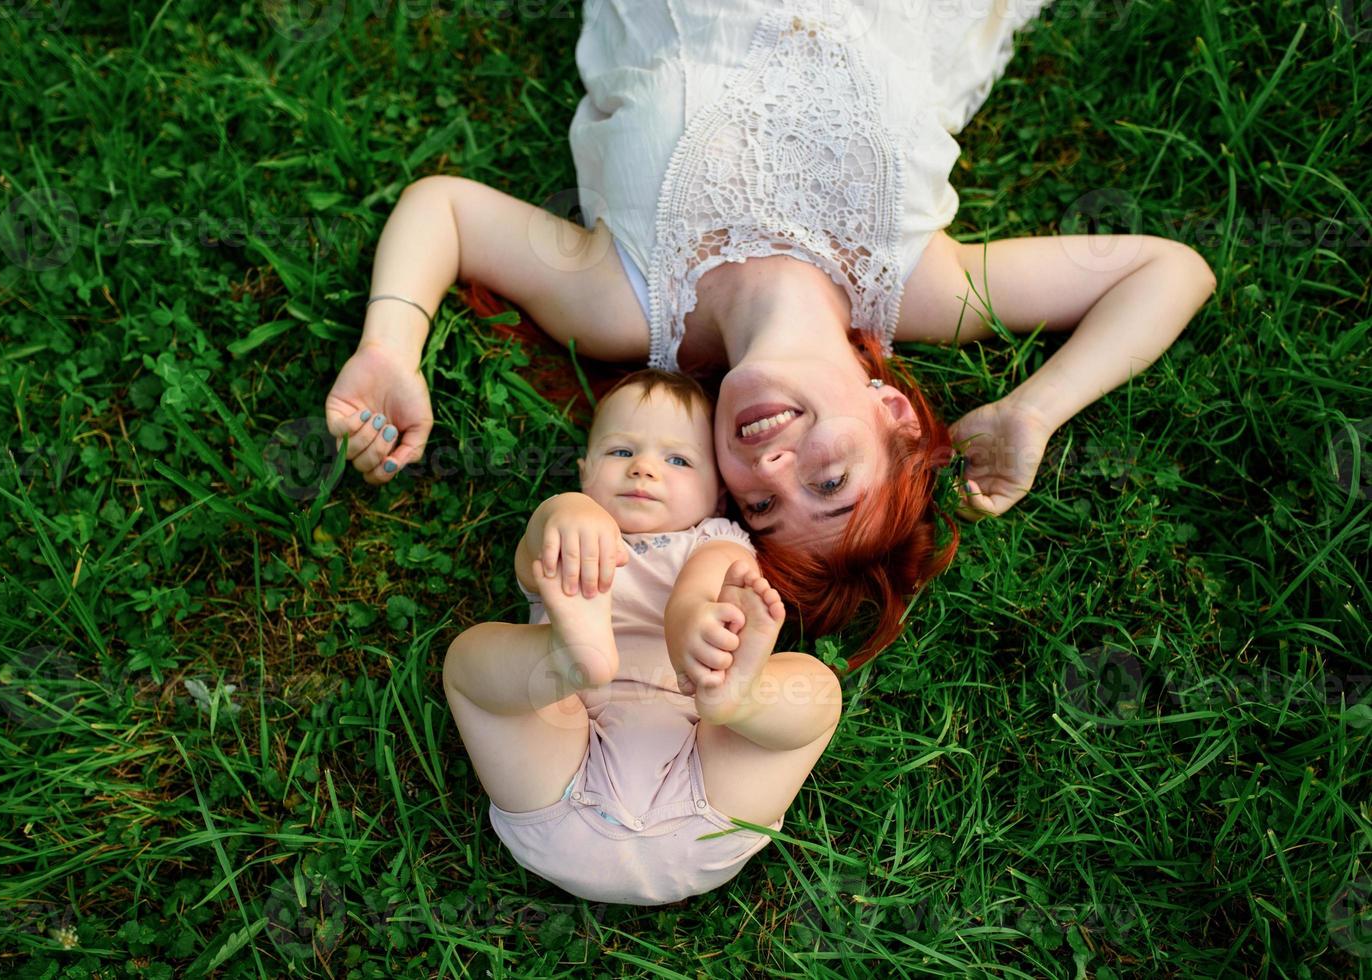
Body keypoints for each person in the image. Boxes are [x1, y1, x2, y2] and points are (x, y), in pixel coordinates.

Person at [325, 0, 1218, 665]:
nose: (770, 466)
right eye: (829, 479)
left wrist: (388, 350)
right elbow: (1170, 270)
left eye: (755, 506)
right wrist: (1033, 409)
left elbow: (443, 211)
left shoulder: (622, 304)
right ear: (894, 416)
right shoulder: (924, 289)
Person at [442, 369, 841, 905]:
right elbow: (530, 556)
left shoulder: (714, 540)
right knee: (470, 660)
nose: (644, 468)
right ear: (584, 471)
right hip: (560, 767)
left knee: (816, 690)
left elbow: (701, 591)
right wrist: (562, 512)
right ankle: (568, 658)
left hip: (704, 784)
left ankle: (738, 699)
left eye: (678, 460)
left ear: (718, 493)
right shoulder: (570, 537)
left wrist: (696, 624)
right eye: (619, 451)